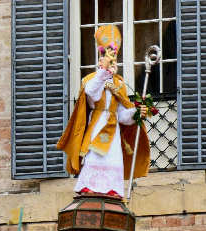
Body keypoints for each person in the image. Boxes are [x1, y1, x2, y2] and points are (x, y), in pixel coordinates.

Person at [57, 24, 150, 198]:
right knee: (95, 156)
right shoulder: (92, 79)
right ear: (101, 58)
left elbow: (123, 115)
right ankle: (89, 186)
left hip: (113, 128)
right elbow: (91, 93)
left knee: (113, 158)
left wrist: (136, 113)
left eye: (113, 58)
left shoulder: (119, 83)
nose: (111, 61)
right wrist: (103, 74)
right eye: (107, 57)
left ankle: (112, 188)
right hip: (98, 124)